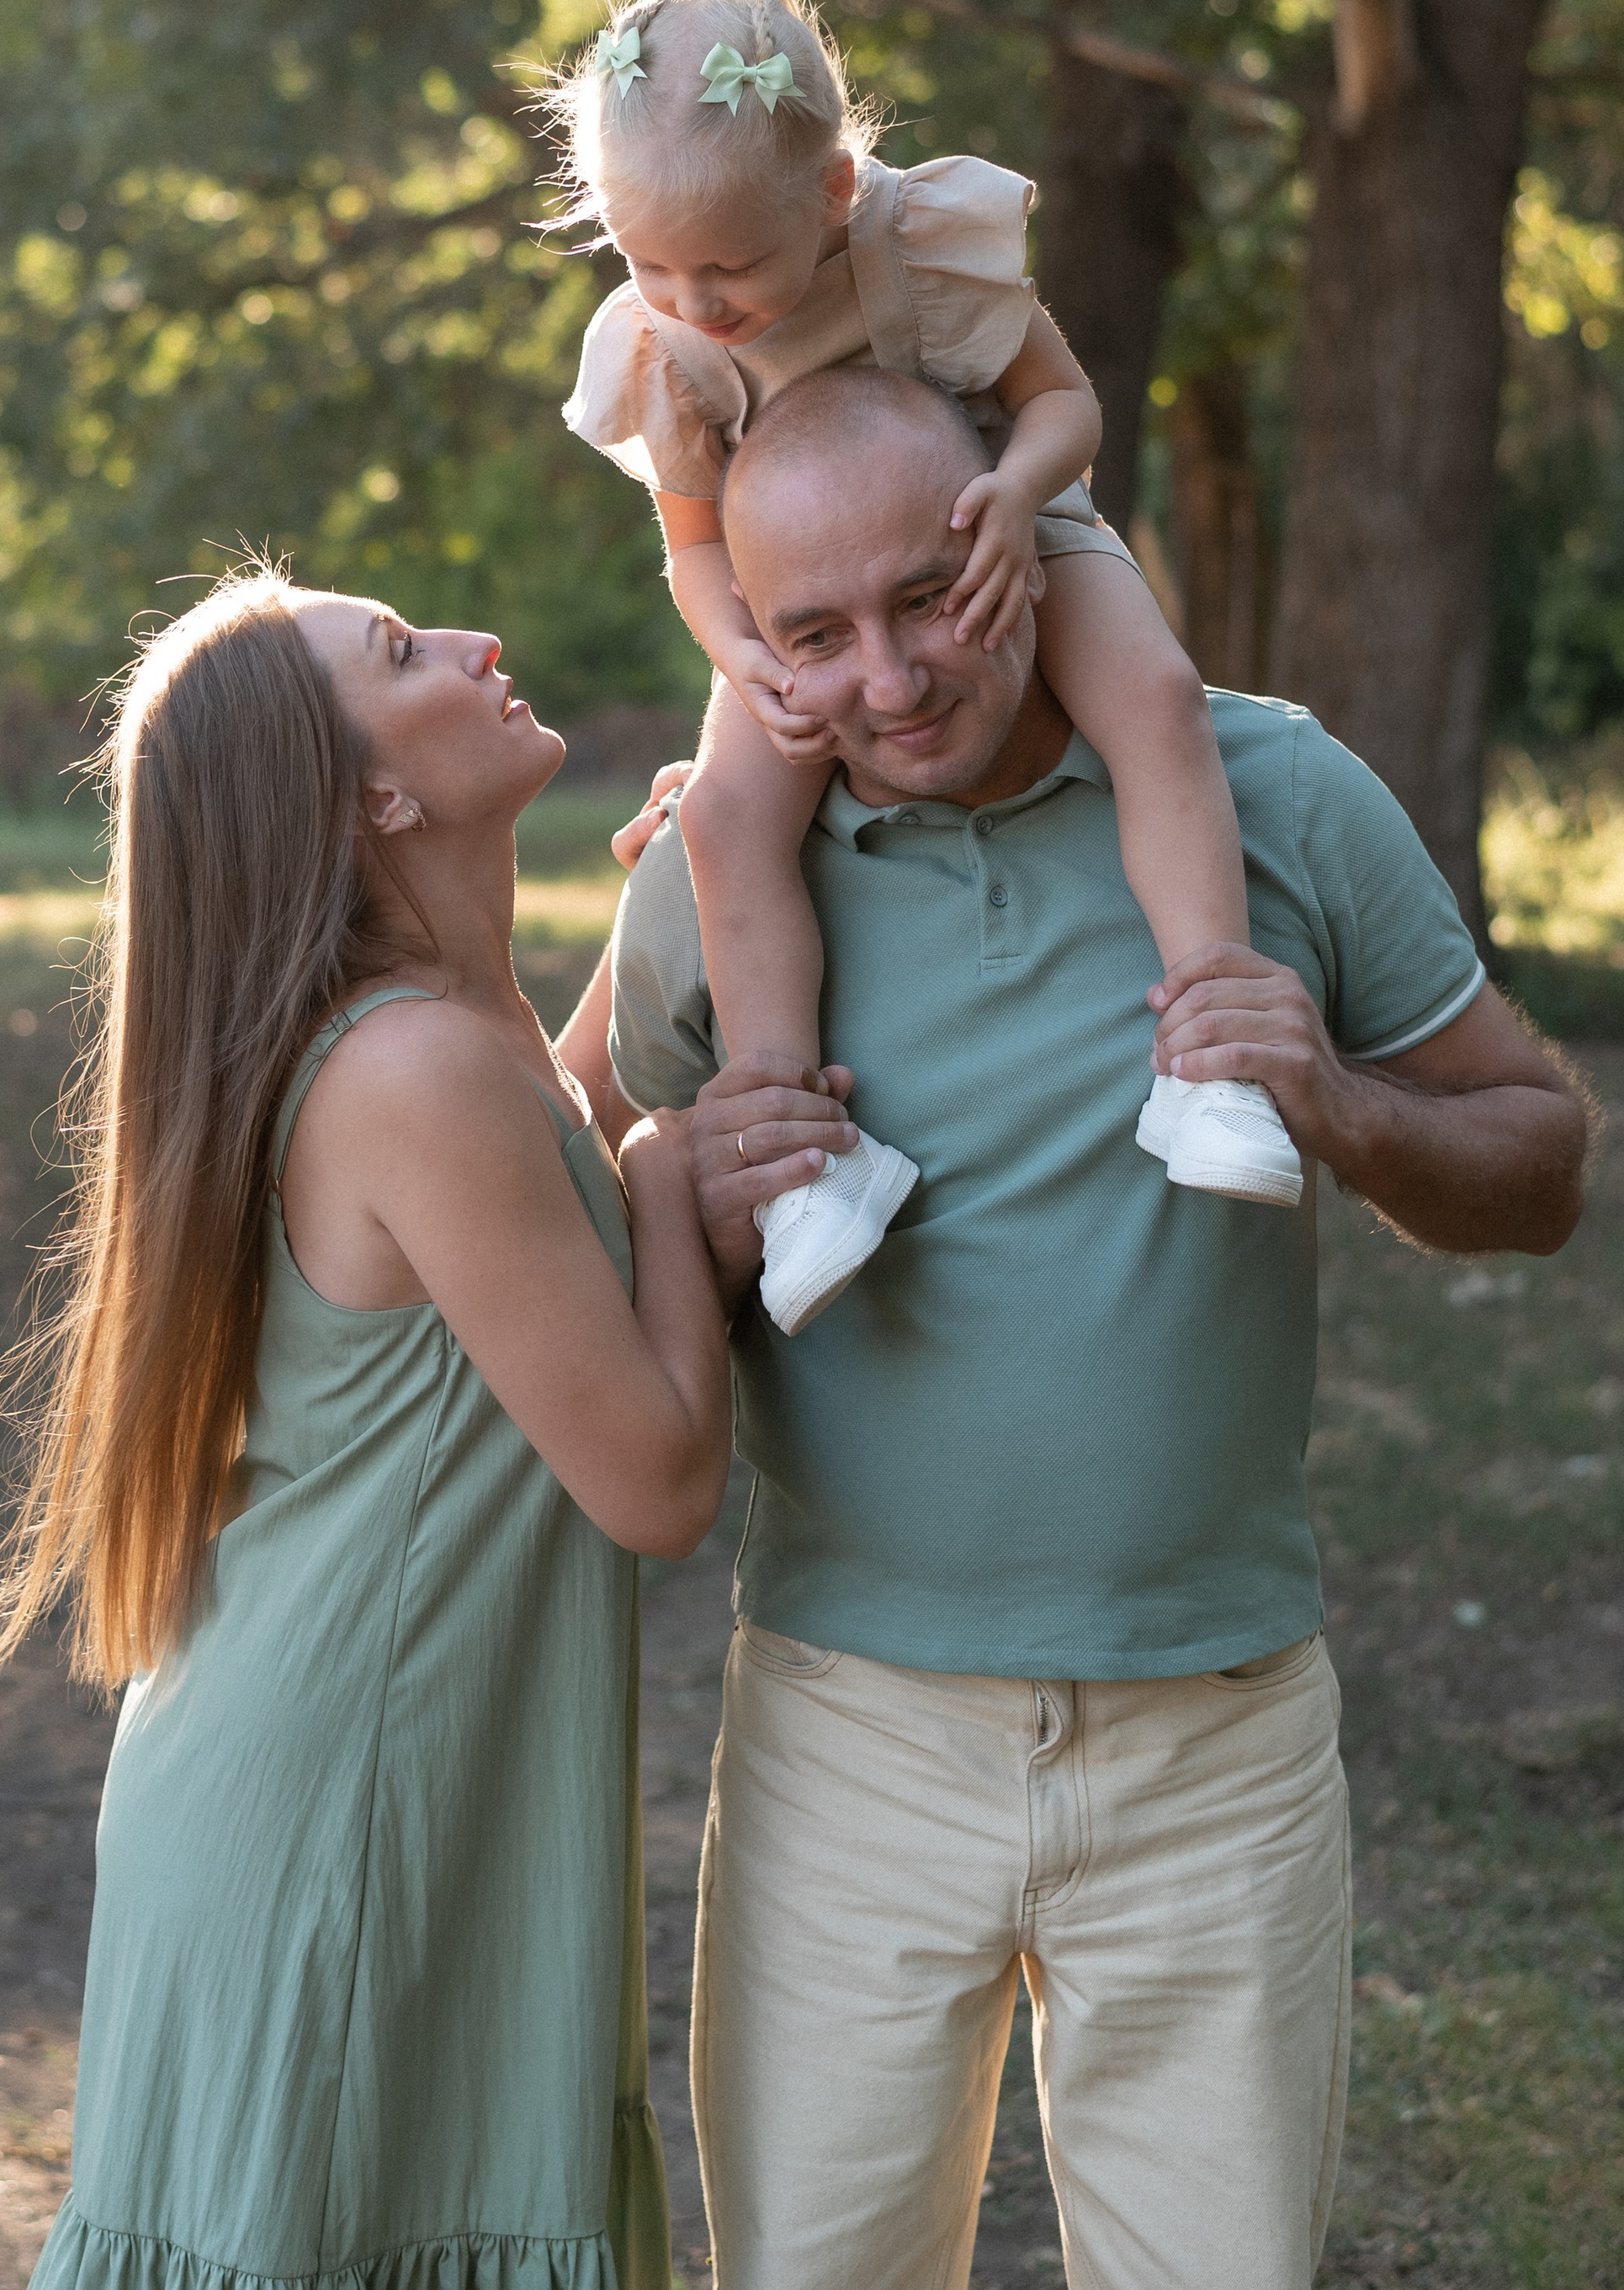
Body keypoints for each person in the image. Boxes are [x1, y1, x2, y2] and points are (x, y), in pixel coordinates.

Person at [571, 363, 1584, 2290]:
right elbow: (594, 1239)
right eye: (811, 635)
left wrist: (1339, 1104)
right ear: (749, 640)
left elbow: (1536, 1163)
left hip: (1213, 1745)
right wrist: (679, 1201)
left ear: (1018, 540)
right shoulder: (721, 866)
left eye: (926, 595)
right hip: (842, 1737)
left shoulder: (1265, 789)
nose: (880, 678)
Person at [0, 568, 730, 2290]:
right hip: (341, 1815)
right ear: (368, 797)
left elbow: (564, 1132)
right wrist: (672, 1173)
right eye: (400, 655)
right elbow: (661, 1476)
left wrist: (698, 845)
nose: (476, 638)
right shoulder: (415, 1072)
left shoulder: (450, 1031)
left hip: (325, 1770)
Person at [554, 0, 1303, 1337]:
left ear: (831, 191)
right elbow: (695, 551)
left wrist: (1019, 502)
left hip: (1010, 537)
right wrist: (742, 658)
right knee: (722, 822)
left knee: (1151, 703)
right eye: (652, 266)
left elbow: (1065, 408)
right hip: (806, 618)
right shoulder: (668, 348)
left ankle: (1214, 1057)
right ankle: (801, 1164)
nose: (693, 302)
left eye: (730, 269)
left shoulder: (921, 247)